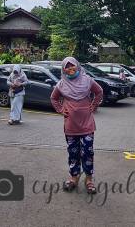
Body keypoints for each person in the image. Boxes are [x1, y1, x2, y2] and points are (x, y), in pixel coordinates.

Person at [50, 57, 104, 195]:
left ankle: (89, 179)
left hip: (87, 125)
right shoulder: (61, 84)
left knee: (87, 152)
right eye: (67, 67)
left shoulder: (87, 81)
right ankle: (74, 177)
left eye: (72, 66)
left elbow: (99, 92)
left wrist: (94, 105)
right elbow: (53, 98)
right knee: (73, 153)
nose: (70, 69)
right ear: (63, 69)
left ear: (77, 66)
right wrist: (61, 109)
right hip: (70, 126)